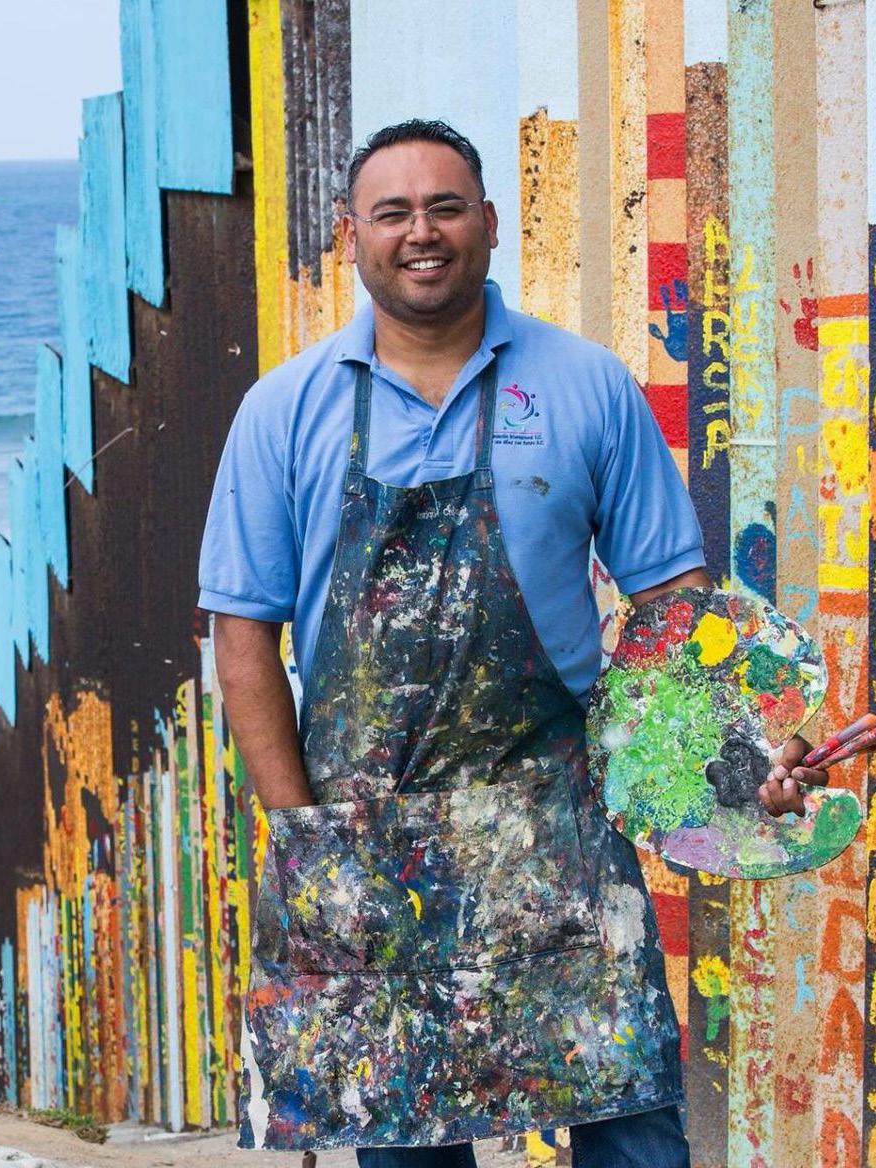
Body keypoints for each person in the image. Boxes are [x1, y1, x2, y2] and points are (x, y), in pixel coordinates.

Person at [197, 119, 823, 1168]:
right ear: (349, 235)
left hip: (558, 830)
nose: (421, 232)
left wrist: (735, 761)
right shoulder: (282, 412)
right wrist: (305, 838)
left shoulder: (584, 385)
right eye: (392, 213)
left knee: (633, 1131)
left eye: (445, 207)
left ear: (488, 224)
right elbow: (242, 636)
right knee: (404, 1144)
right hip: (372, 847)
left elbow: (674, 608)